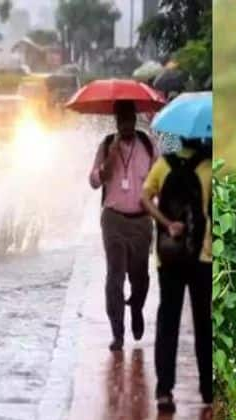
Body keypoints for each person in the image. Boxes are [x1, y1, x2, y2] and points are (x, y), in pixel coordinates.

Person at [141, 138, 213, 413]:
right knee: (204, 323)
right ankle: (208, 389)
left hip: (167, 256)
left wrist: (166, 223)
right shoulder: (208, 167)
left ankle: (164, 391)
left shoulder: (163, 165)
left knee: (167, 321)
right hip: (203, 256)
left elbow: (144, 196)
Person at [89, 100, 157, 352]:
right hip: (113, 219)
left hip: (141, 220)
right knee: (114, 276)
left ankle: (136, 307)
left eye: (130, 119)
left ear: (135, 119)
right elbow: (95, 181)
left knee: (140, 277)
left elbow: (160, 179)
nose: (126, 124)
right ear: (116, 121)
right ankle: (117, 332)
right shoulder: (107, 145)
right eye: (121, 120)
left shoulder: (149, 145)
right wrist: (110, 158)